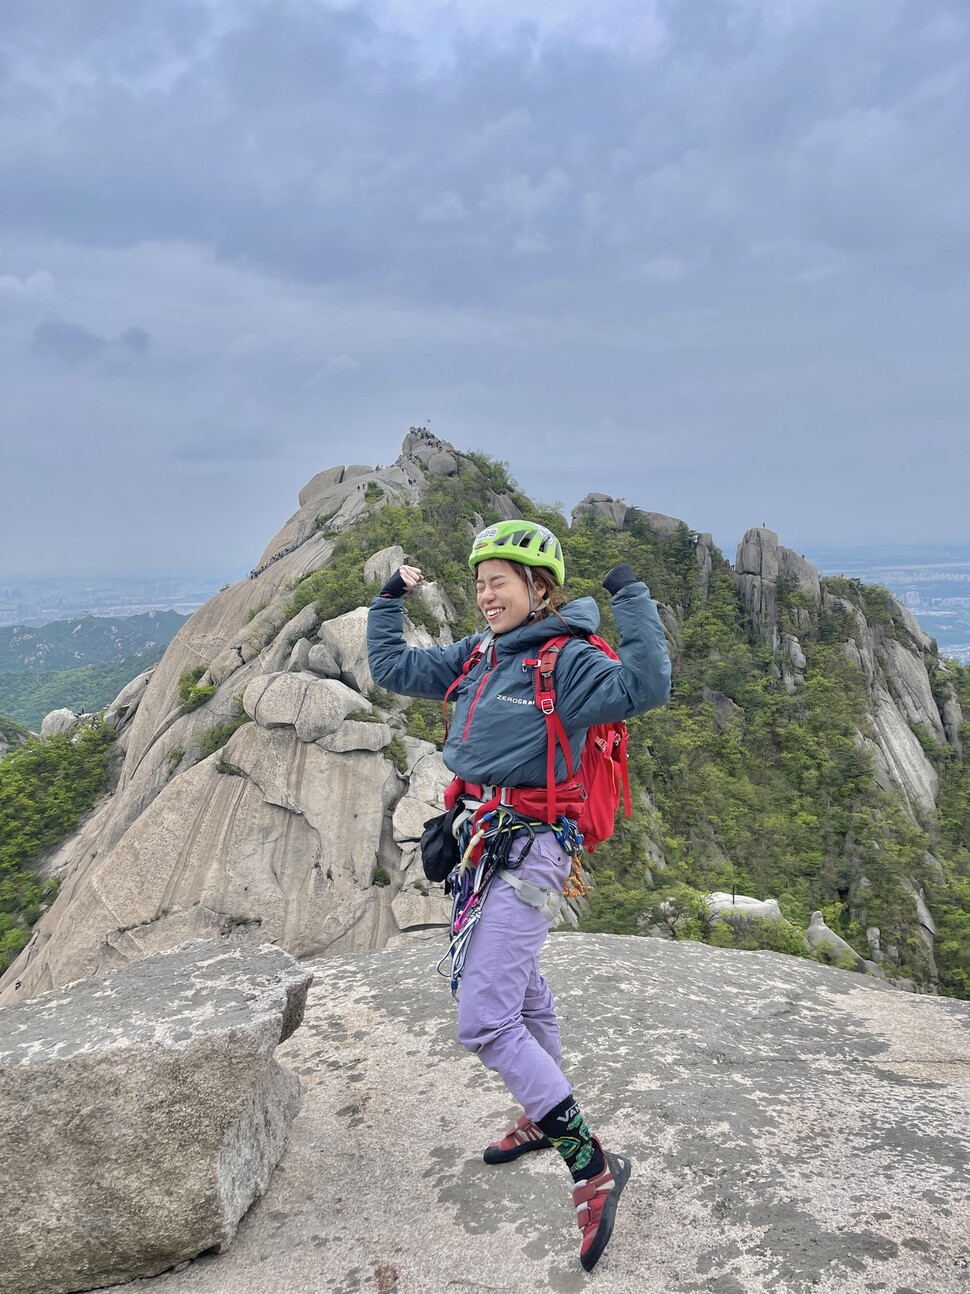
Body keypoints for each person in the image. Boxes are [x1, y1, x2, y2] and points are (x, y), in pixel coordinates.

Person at [366, 519, 671, 1271]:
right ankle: (541, 1118)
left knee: (485, 1019)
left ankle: (590, 1164)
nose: (484, 594)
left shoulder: (565, 662)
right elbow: (391, 668)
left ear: (538, 589)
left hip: (530, 850)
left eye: (497, 581)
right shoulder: (476, 655)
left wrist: (631, 597)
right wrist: (387, 598)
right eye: (478, 583)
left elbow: (647, 685)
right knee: (520, 988)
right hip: (480, 841)